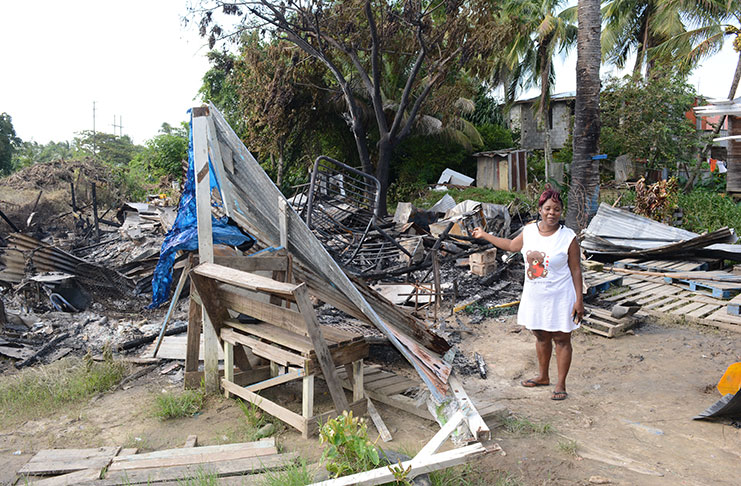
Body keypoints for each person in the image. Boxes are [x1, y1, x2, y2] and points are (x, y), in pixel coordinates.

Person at [472, 188, 583, 401]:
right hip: (536, 296)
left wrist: (579, 299)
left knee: (561, 339)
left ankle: (560, 384)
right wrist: (484, 235)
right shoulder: (530, 231)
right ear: (540, 209)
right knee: (541, 335)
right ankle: (542, 376)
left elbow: (576, 270)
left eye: (557, 209)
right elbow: (511, 246)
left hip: (561, 297)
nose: (552, 213)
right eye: (548, 208)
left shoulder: (568, 238)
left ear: (561, 212)